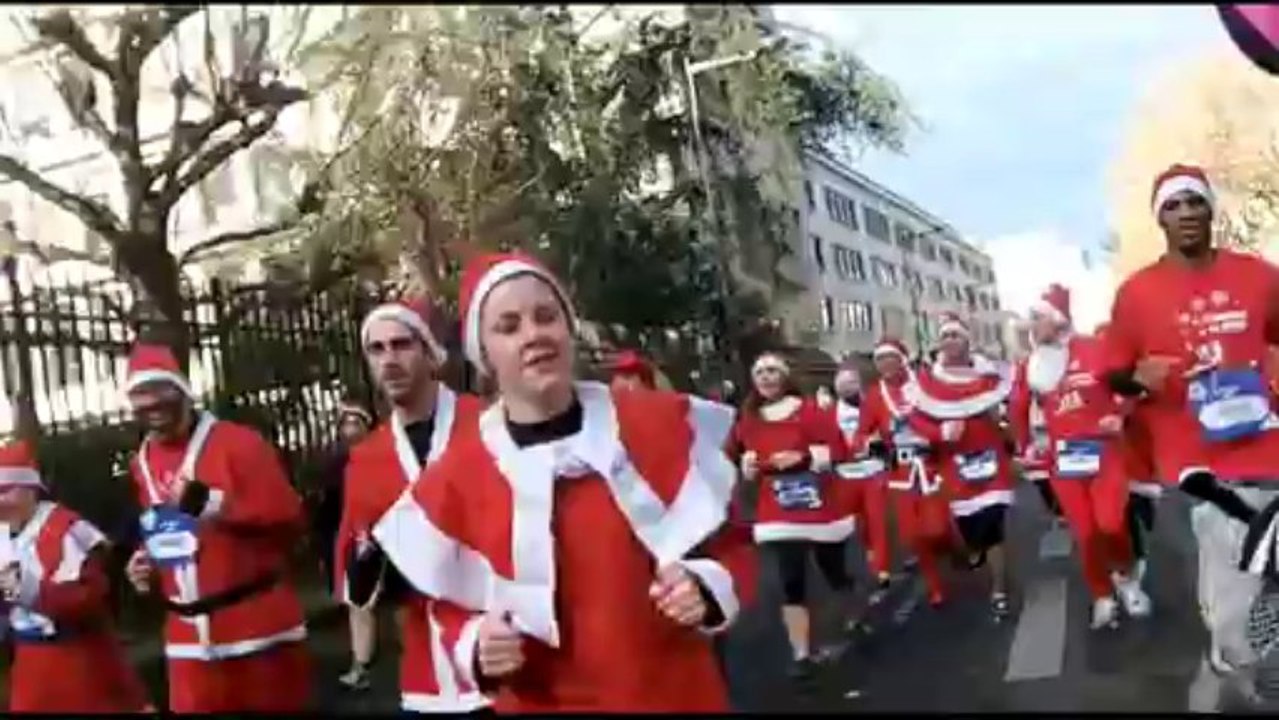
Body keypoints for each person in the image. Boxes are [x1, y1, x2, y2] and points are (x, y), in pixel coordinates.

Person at [373, 251, 756, 712]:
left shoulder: (656, 423)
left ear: (568, 328)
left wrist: (706, 586)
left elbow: (733, 542)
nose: (534, 335)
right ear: (485, 355)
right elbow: (447, 601)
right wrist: (477, 644)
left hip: (675, 695)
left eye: (545, 317)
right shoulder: (460, 472)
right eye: (509, 326)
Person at [1102, 163, 1279, 690]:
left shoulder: (1258, 276)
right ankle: (1240, 670)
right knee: (1232, 609)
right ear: (1159, 218)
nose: (1185, 215)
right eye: (1173, 206)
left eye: (1194, 202)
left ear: (1210, 209)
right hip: (1198, 468)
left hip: (1268, 448)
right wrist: (1137, 377)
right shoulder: (1137, 293)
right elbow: (1113, 373)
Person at [121, 341, 312, 712]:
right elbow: (167, 528)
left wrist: (212, 503)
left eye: (160, 391)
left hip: (258, 632)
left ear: (183, 391)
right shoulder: (141, 462)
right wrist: (145, 562)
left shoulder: (239, 444)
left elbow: (290, 517)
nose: (151, 405)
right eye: (140, 395)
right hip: (187, 642)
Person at [333, 297, 490, 713]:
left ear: (430, 353)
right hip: (426, 674)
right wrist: (367, 565)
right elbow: (354, 569)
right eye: (377, 349)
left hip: (506, 659)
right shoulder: (367, 458)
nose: (389, 360)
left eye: (402, 345)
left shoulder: (488, 424)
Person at [1009, 285, 1151, 629]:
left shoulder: (1095, 349)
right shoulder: (1033, 364)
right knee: (1085, 533)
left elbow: (1134, 383)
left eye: (1037, 318)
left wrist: (1121, 414)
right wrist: (1024, 444)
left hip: (1105, 453)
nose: (1031, 326)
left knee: (1111, 523)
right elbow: (1018, 406)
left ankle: (1125, 576)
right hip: (1064, 460)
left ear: (1058, 320)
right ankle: (1101, 595)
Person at [0, 440, 152, 713]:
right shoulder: (3, 532)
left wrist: (30, 591)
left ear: (31, 489)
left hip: (78, 661)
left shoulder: (65, 528)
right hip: (29, 663)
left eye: (4, 491)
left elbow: (90, 596)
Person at [733, 351, 856, 681]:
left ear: (785, 377)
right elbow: (741, 458)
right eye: (760, 371)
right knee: (791, 581)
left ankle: (846, 611)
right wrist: (748, 466)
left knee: (833, 570)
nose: (766, 377)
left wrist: (802, 457)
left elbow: (838, 451)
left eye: (773, 370)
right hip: (778, 510)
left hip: (820, 506)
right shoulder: (749, 419)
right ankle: (801, 654)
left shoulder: (811, 412)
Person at [904, 313, 1016, 620]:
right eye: (946, 336)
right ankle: (972, 549)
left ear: (968, 342)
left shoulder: (990, 376)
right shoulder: (927, 382)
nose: (950, 341)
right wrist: (939, 433)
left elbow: (1011, 410)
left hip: (991, 462)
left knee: (993, 523)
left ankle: (999, 591)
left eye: (956, 335)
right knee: (970, 528)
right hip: (955, 464)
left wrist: (1004, 423)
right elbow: (914, 420)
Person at [850, 337, 952, 607]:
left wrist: (942, 433)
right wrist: (868, 443)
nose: (885, 364)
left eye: (890, 357)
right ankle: (935, 588)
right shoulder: (874, 395)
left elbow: (946, 414)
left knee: (938, 529)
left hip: (932, 466)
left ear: (902, 359)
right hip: (900, 472)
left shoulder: (924, 385)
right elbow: (859, 435)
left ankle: (953, 551)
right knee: (914, 535)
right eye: (879, 359)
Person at [313, 399, 373, 689]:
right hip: (348, 537)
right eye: (345, 422)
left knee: (404, 604)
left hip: (380, 535)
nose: (350, 428)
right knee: (358, 604)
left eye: (356, 421)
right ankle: (361, 665)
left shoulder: (381, 457)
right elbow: (326, 508)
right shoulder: (335, 463)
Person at [828, 364, 893, 590]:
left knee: (877, 521)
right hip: (845, 475)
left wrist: (879, 443)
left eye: (851, 383)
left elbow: (888, 433)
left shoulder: (872, 407)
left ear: (859, 385)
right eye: (842, 384)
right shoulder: (830, 412)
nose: (847, 387)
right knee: (857, 525)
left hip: (872, 471)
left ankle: (881, 568)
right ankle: (868, 554)